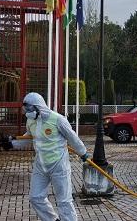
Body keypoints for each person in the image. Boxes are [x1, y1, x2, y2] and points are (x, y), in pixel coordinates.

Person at [22, 92, 89, 221]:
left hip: (59, 165)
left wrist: (83, 152)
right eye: (26, 108)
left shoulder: (58, 120)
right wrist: (11, 143)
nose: (27, 111)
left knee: (64, 201)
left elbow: (72, 137)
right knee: (35, 197)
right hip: (40, 165)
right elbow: (28, 137)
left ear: (38, 106)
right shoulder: (30, 120)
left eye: (30, 108)